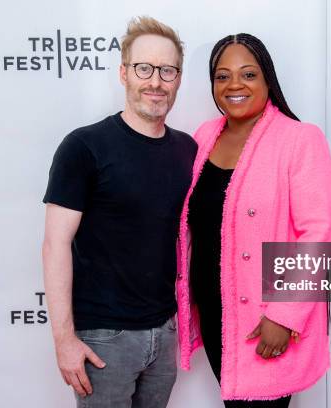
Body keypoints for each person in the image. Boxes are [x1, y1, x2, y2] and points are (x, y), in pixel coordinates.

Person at [41, 16, 197, 408]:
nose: (156, 81)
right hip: (103, 340)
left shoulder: (189, 150)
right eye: (144, 68)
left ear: (178, 78)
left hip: (165, 334)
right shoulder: (84, 146)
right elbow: (55, 245)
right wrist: (64, 340)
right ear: (123, 73)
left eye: (167, 70)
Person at [176, 33, 331, 407]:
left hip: (262, 317)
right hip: (216, 311)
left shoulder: (299, 139)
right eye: (222, 76)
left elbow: (318, 232)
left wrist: (284, 314)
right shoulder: (205, 137)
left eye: (248, 74)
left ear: (268, 80)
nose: (234, 84)